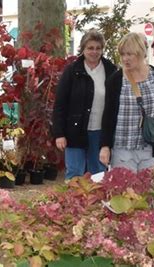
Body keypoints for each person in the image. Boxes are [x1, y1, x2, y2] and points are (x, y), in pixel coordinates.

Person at [99, 32, 154, 172]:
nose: (125, 59)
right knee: (125, 192)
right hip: (123, 147)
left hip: (149, 146)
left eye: (130, 54)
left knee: (149, 191)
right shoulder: (115, 80)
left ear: (141, 53)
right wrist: (105, 146)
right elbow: (108, 115)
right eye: (122, 54)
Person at [52, 29, 117, 180]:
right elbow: (60, 104)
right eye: (90, 48)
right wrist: (59, 134)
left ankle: (96, 203)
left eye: (98, 48)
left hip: (100, 132)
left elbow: (114, 105)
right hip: (75, 130)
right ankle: (71, 203)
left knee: (99, 174)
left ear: (102, 49)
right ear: (83, 49)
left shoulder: (111, 71)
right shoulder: (72, 71)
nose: (94, 52)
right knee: (75, 173)